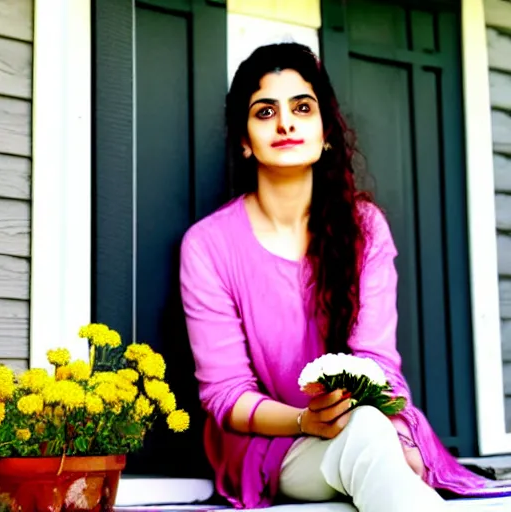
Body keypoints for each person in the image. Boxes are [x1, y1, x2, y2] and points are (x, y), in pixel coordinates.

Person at [179, 43, 510, 511]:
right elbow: (225, 393)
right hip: (273, 445)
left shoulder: (365, 228)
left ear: (326, 131)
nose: (286, 123)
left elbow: (378, 362)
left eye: (302, 107)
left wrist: (399, 432)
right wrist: (304, 421)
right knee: (367, 437)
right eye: (265, 111)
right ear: (244, 141)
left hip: (367, 423)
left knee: (374, 433)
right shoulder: (208, 246)